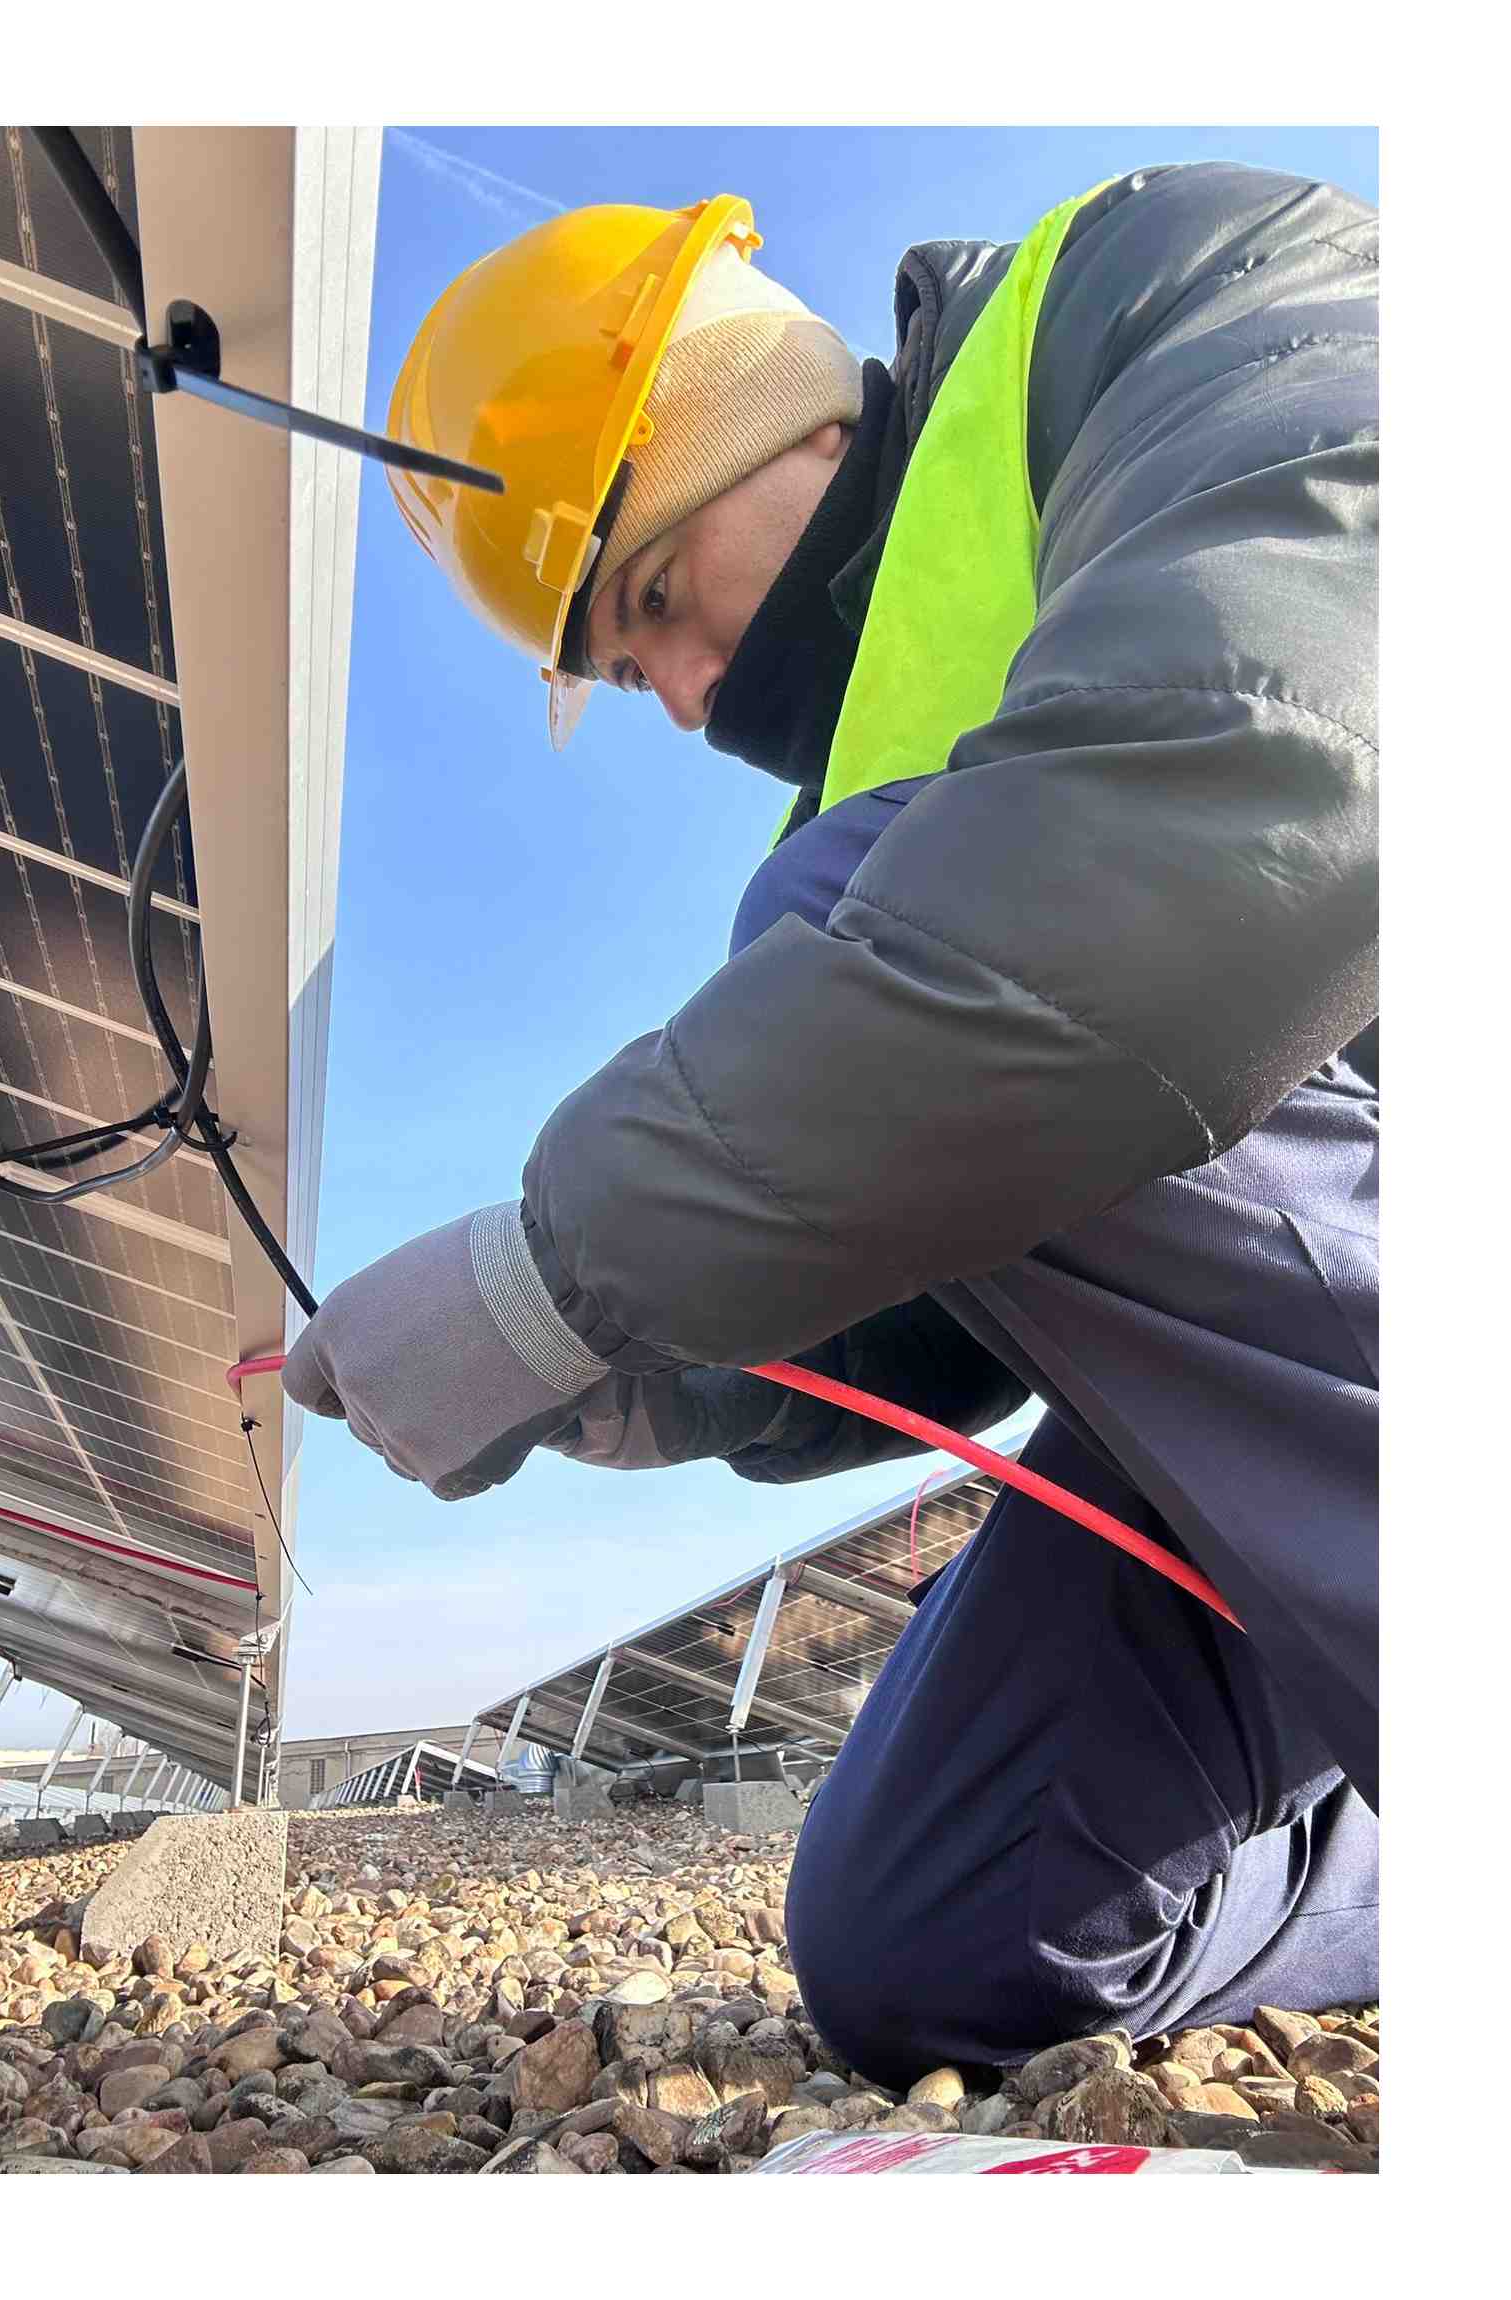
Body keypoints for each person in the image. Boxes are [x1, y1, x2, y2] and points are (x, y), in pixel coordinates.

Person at [283, 160, 1378, 2080]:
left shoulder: (1178, 289)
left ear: (757, 413)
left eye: (655, 602)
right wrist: (654, 1370)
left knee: (857, 933)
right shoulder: (864, 829)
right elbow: (963, 1271)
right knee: (948, 1935)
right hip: (1308, 1340)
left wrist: (551, 1275)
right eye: (632, 680)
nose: (695, 699)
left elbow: (1253, 806)